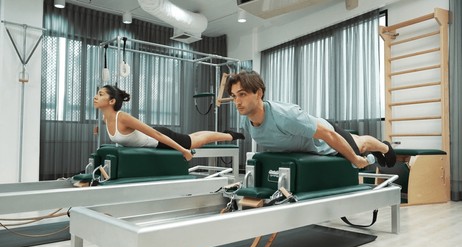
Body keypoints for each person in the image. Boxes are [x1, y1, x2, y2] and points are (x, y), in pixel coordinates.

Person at [225, 70, 396, 169]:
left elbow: (328, 134)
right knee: (358, 143)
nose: (237, 102)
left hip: (326, 137)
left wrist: (356, 160)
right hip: (306, 147)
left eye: (242, 94)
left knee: (360, 145)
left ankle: (384, 147)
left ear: (259, 93)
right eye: (233, 96)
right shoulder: (245, 120)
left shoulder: (285, 116)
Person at [93, 85, 244, 161]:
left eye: (100, 94)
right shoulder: (106, 118)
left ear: (111, 101)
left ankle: (230, 136)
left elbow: (155, 134)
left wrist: (183, 151)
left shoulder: (123, 117)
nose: (95, 97)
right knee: (194, 136)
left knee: (198, 140)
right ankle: (226, 133)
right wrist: (98, 129)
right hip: (156, 139)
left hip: (161, 139)